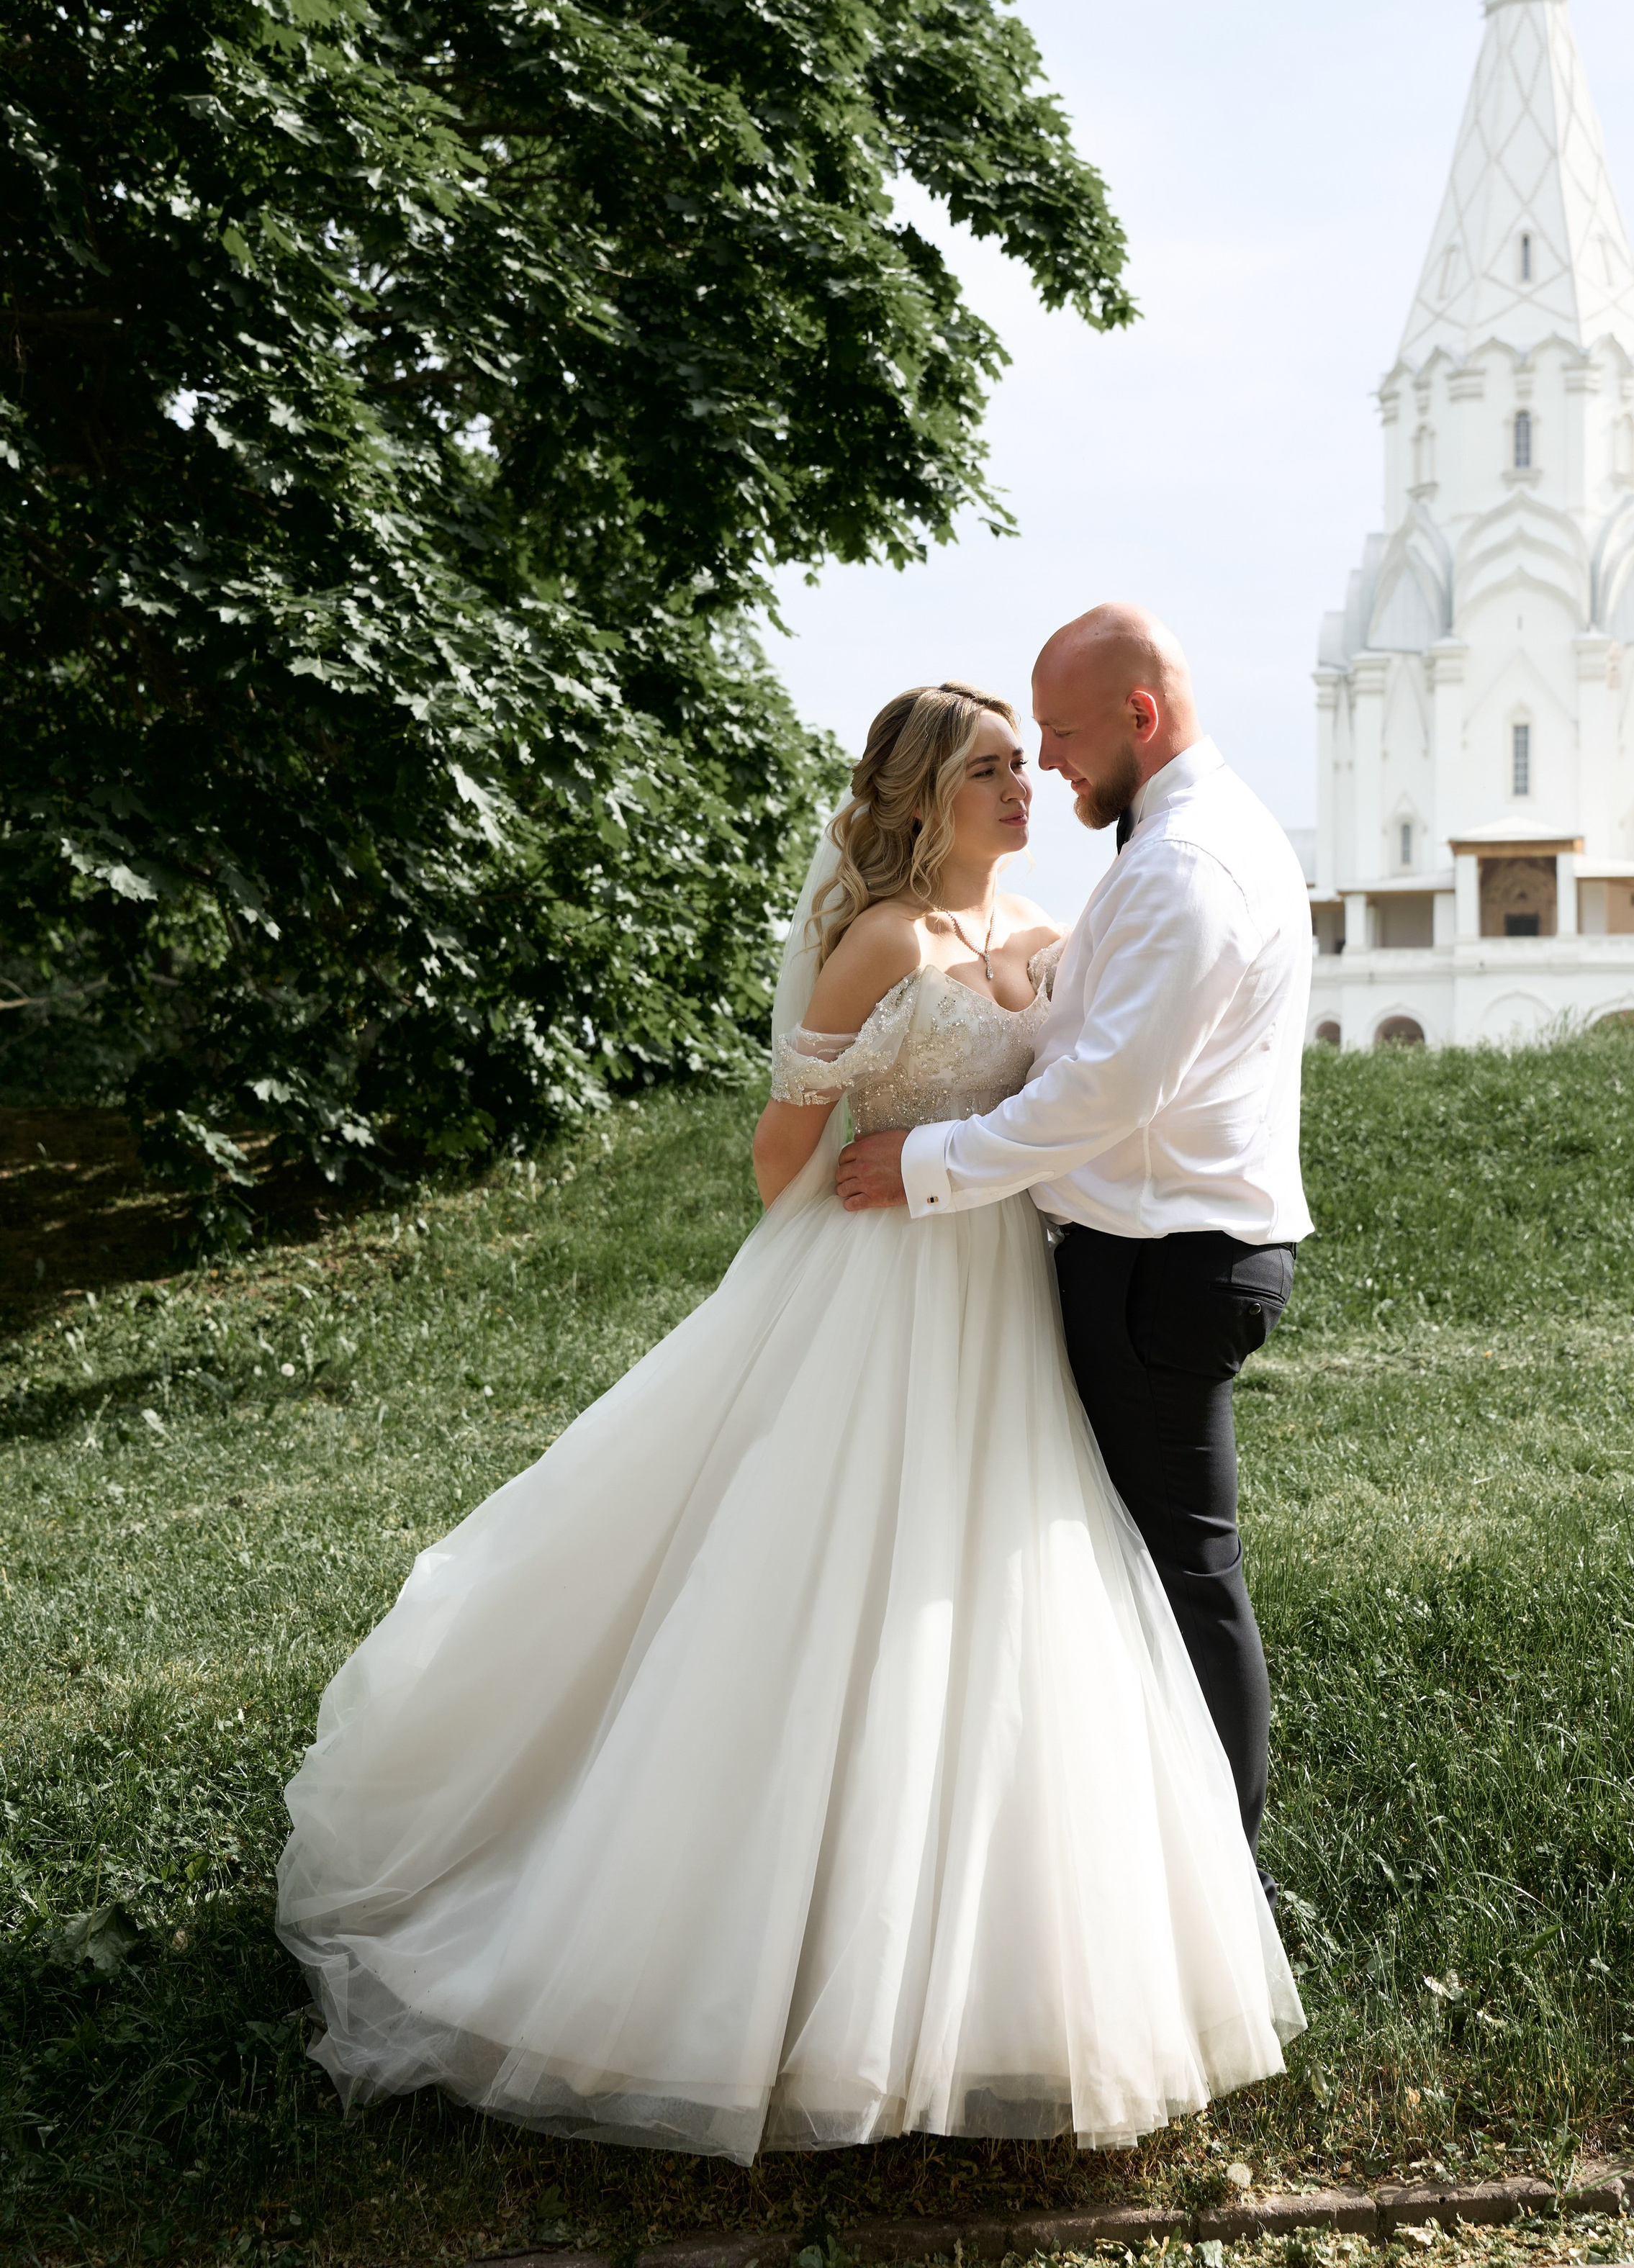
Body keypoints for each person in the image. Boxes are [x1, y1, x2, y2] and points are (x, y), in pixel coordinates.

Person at [276, 679, 1301, 2166]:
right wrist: (847, 1230)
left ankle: (990, 1983)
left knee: (993, 1590)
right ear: (923, 797)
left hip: (1004, 1295)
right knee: (824, 1573)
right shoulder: (879, 942)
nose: (1022, 788)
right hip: (879, 1282)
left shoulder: (1044, 936)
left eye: (1024, 766)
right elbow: (784, 1150)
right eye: (989, 771)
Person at [837, 607, 1314, 1897]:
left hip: (1163, 1263)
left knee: (1179, 1573)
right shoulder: (1184, 841)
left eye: (1056, 734)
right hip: (1160, 1249)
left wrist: (927, 1163)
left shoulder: (1185, 866)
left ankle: (1216, 1884)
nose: (1046, 766)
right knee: (1133, 1565)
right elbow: (1086, 1036)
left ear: (1138, 718)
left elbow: (1104, 1094)